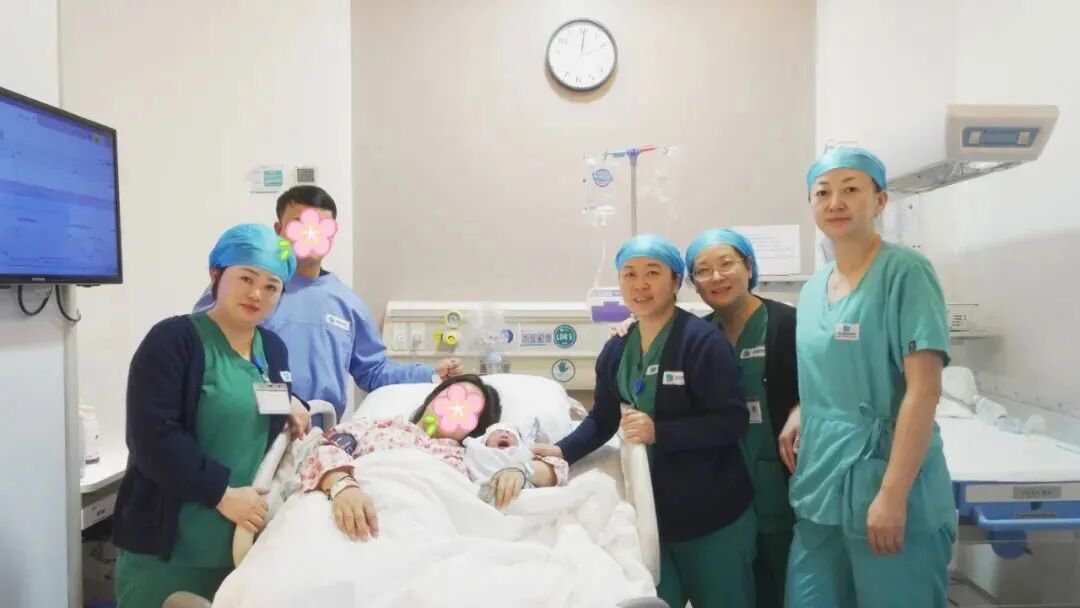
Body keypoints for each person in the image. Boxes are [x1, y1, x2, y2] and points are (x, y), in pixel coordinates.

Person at [533, 234, 755, 608]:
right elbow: (602, 420)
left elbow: (732, 421)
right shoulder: (617, 347)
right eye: (629, 274)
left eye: (653, 273)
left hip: (713, 515)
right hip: (650, 517)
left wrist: (660, 432)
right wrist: (560, 452)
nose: (640, 284)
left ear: (675, 281)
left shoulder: (701, 342)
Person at [784, 147, 955, 607]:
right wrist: (803, 410)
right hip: (821, 481)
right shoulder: (813, 289)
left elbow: (924, 390)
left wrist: (893, 495)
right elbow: (828, 370)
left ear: (880, 201)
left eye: (851, 189)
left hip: (886, 478)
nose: (835, 202)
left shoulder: (906, 273)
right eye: (823, 192)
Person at [113, 224, 312, 607]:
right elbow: (152, 437)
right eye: (246, 278)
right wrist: (221, 494)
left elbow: (251, 397)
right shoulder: (174, 341)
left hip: (243, 546)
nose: (256, 294)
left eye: (271, 286)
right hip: (170, 549)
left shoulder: (272, 348)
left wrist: (294, 401)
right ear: (216, 274)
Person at [194, 186, 462, 424]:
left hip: (317, 434)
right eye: (299, 224)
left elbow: (373, 371)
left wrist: (429, 373)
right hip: (245, 428)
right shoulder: (248, 289)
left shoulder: (347, 303)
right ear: (278, 230)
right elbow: (204, 348)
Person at [299, 375, 569, 541]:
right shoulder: (376, 425)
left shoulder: (470, 455)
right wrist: (343, 486)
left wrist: (522, 470)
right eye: (451, 396)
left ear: (477, 426)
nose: (456, 407)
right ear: (432, 398)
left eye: (470, 407)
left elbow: (556, 467)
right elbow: (325, 447)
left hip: (423, 522)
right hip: (354, 499)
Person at [683, 228, 799, 608]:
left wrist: (803, 407)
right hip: (724, 489)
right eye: (703, 270)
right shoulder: (697, 335)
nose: (716, 277)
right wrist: (625, 329)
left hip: (781, 484)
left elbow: (827, 384)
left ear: (749, 267)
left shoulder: (786, 324)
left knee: (788, 586)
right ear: (694, 283)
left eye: (726, 264)